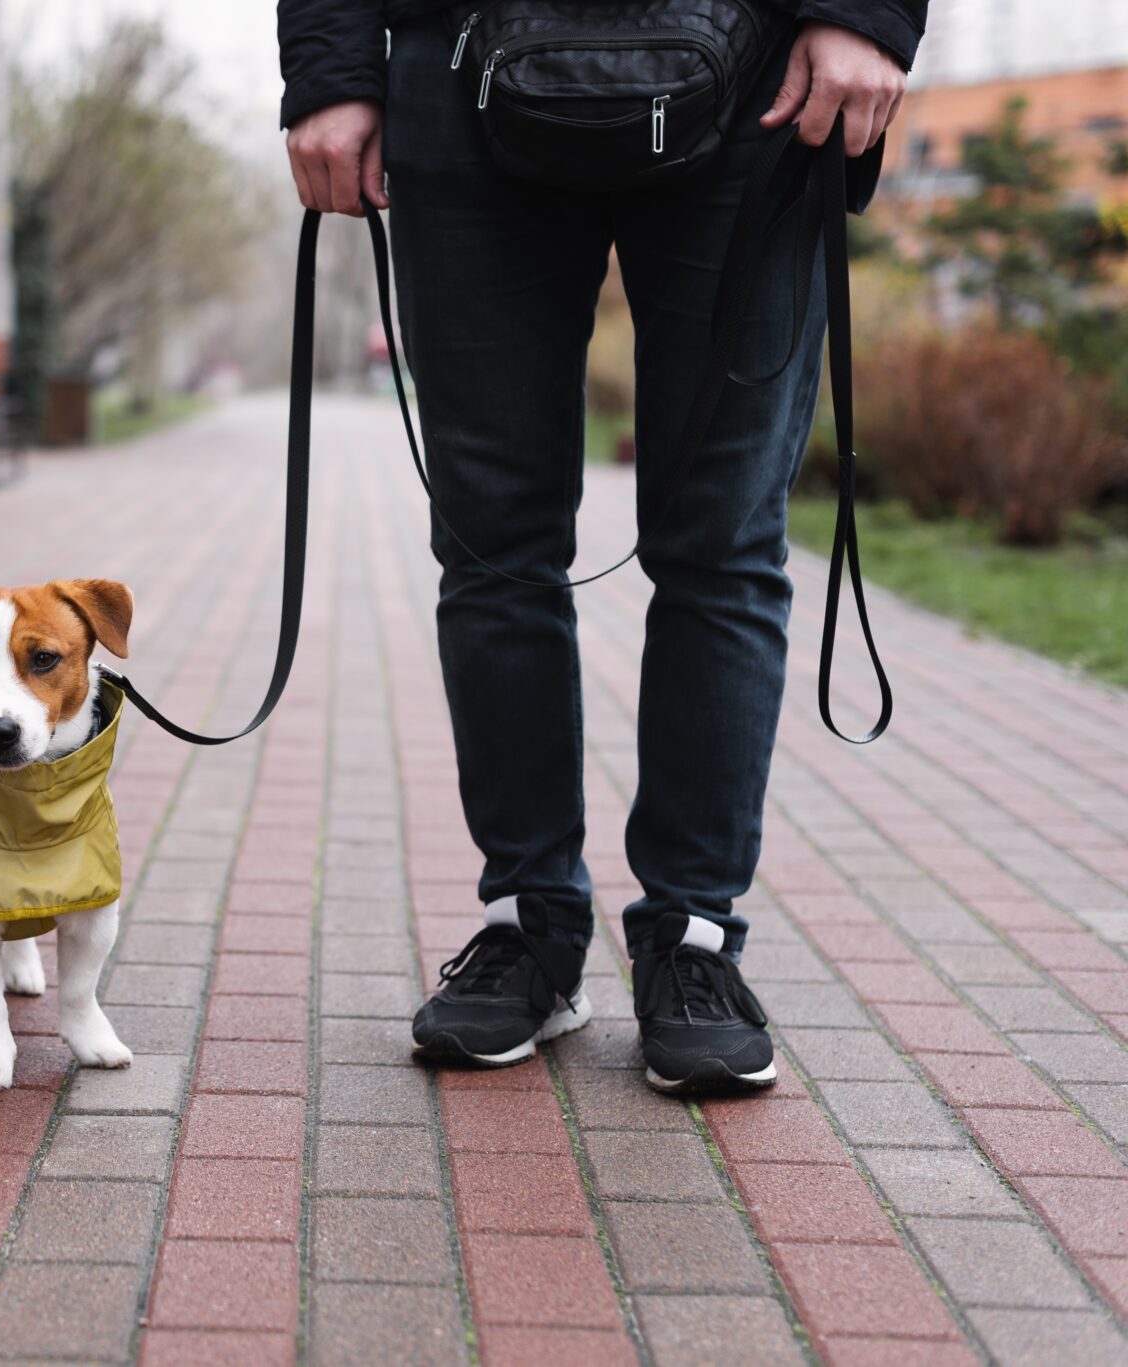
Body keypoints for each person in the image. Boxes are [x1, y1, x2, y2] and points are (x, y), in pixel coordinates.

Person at [277, 1, 924, 1092]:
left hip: (756, 75)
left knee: (721, 538)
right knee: (488, 544)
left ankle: (693, 937)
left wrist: (863, 12)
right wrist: (330, 67)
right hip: (458, 64)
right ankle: (527, 922)